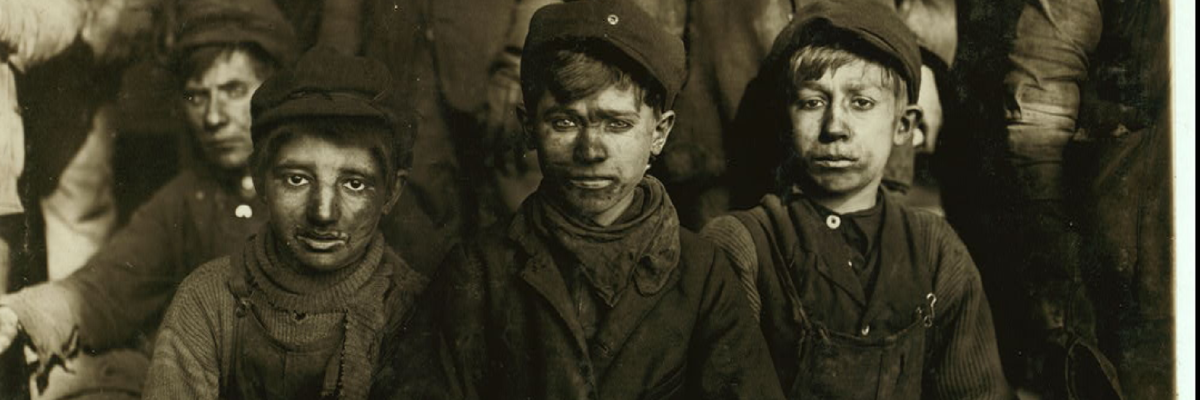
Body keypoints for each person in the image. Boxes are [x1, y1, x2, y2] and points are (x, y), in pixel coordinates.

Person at [435, 1, 785, 399]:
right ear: (529, 128)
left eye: (617, 124)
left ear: (660, 133)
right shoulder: (477, 271)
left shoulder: (703, 273)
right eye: (564, 122)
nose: (590, 150)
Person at [701, 0, 1013, 398]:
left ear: (903, 125)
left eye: (861, 102)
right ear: (784, 120)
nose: (835, 127)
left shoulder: (937, 253)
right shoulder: (742, 246)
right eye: (813, 102)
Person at [0, 1, 295, 398]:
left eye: (234, 90)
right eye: (196, 97)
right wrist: (20, 314)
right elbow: (107, 287)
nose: (213, 117)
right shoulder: (188, 197)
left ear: (276, 90)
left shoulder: (325, 193)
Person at [143, 46, 451, 400]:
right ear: (259, 179)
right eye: (296, 179)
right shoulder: (208, 299)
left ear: (392, 192)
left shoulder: (416, 312)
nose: (322, 212)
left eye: (354, 183)